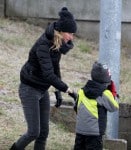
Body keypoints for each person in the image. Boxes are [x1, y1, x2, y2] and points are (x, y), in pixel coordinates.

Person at [10, 7, 77, 150]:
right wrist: (68, 90)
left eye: (73, 34)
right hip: (29, 89)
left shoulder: (57, 43)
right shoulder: (43, 45)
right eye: (70, 33)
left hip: (42, 89)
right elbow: (48, 74)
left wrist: (57, 92)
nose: (72, 37)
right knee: (33, 132)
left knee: (44, 132)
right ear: (60, 31)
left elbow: (55, 67)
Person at [73, 61, 119, 150]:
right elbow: (114, 107)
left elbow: (76, 107)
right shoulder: (105, 93)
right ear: (107, 79)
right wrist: (113, 92)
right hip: (95, 133)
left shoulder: (82, 90)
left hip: (80, 131)